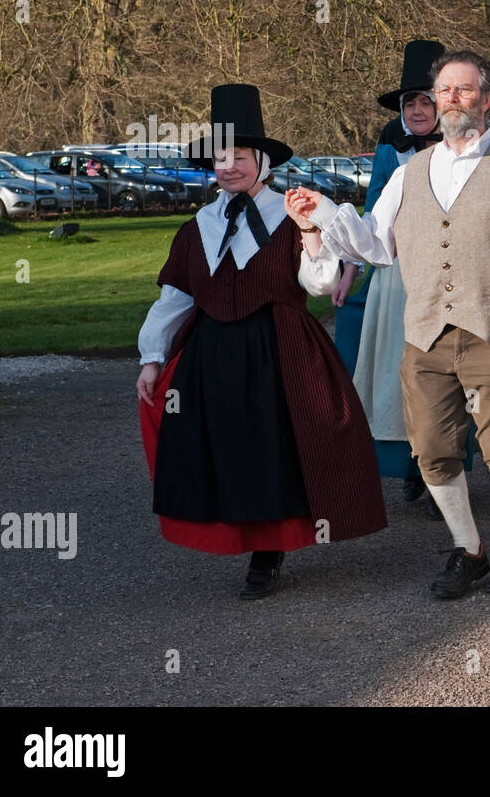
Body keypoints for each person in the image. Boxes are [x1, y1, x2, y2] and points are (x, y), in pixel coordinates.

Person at [284, 50, 490, 598]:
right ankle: (468, 549)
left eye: (464, 90)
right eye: (443, 89)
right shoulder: (409, 172)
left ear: (487, 101)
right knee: (432, 450)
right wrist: (324, 214)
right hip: (425, 333)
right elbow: (376, 243)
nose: (451, 98)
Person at [136, 83, 387, 599]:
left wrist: (312, 233)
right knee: (225, 449)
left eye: (240, 157)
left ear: (262, 160)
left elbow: (319, 286)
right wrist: (153, 357)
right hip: (213, 354)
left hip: (280, 349)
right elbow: (175, 298)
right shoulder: (196, 227)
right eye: (220, 158)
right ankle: (242, 536)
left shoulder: (293, 213)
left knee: (276, 448)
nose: (228, 167)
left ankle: (267, 556)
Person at [335, 40, 474, 511]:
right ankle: (414, 466)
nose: (417, 110)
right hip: (396, 275)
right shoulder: (390, 149)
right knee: (400, 372)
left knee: (451, 369)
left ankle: (448, 463)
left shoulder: (470, 150)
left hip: (451, 274)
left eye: (426, 101)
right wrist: (348, 267)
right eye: (410, 103)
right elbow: (373, 214)